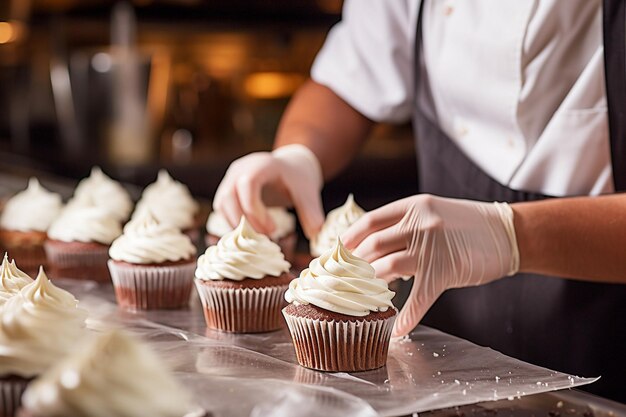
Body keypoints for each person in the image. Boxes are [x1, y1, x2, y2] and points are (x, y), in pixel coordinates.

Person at [213, 0, 626, 402]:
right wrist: (299, 154)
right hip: (446, 355)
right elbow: (349, 78)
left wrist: (511, 235)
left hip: (606, 345)